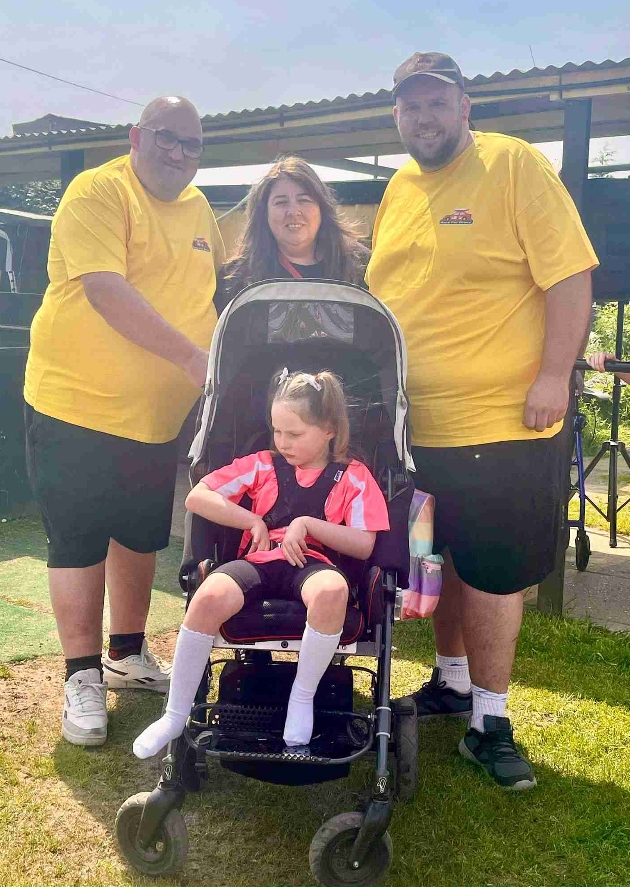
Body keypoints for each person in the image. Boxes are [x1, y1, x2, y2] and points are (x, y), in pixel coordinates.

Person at [367, 52, 598, 790]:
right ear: (396, 115)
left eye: (437, 104)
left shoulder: (513, 164)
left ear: (465, 106)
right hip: (417, 426)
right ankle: (452, 680)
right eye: (410, 107)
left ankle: (490, 721)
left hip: (503, 421)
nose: (423, 118)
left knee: (494, 571)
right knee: (440, 562)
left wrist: (555, 375)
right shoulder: (399, 188)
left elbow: (568, 275)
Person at [23, 96, 225, 746]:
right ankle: (81, 674)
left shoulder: (198, 210)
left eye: (191, 145)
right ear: (137, 136)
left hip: (155, 420)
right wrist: (196, 358)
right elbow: (106, 290)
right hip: (74, 405)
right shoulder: (99, 191)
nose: (178, 153)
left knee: (141, 535)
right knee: (79, 538)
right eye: (167, 138)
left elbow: (215, 289)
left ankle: (128, 654)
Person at [133, 369, 390, 758]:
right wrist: (251, 519)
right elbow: (198, 497)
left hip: (312, 563)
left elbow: (364, 543)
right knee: (207, 595)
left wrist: (306, 525)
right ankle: (174, 713)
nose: (282, 442)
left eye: (294, 434)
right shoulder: (262, 465)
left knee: (333, 591)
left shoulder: (352, 477)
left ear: (329, 430)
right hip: (259, 559)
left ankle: (301, 700)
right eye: (277, 432)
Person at [214, 155, 370, 314]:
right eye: (281, 202)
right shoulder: (235, 278)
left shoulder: (361, 265)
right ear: (263, 213)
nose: (293, 212)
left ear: (322, 208)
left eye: (304, 200)